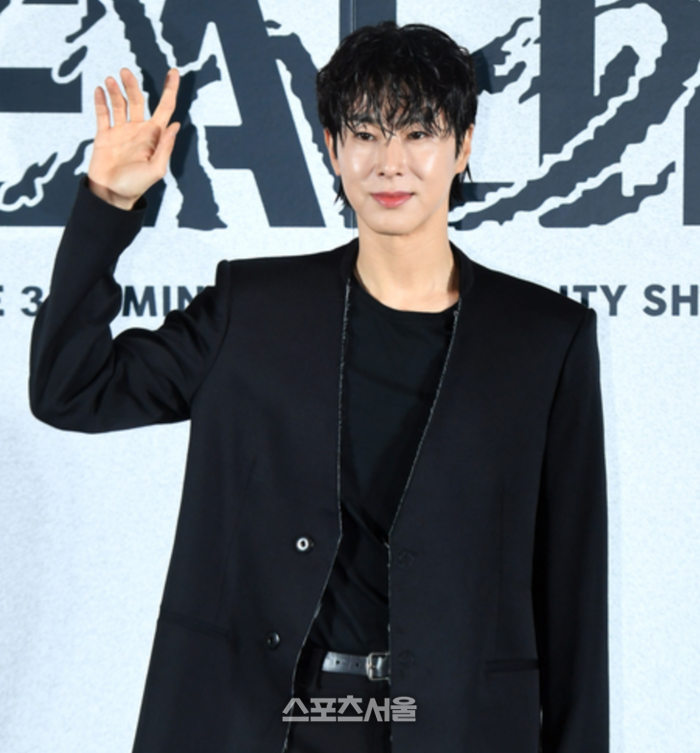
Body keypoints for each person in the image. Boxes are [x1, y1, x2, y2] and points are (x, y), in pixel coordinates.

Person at [29, 21, 609, 753]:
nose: (390, 163)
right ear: (333, 148)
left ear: (463, 147)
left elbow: (573, 590)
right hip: (263, 721)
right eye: (365, 134)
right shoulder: (254, 310)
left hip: (456, 725)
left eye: (418, 133)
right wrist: (106, 206)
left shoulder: (544, 338)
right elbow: (70, 388)